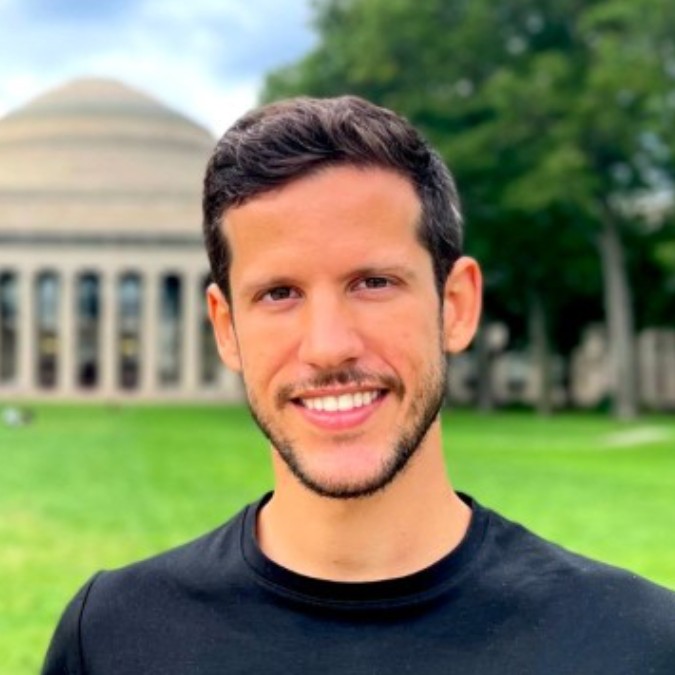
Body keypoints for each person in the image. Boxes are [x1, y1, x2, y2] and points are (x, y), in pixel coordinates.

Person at [42, 96, 674, 674]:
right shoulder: (112, 638)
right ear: (226, 328)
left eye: (373, 283)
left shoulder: (639, 644)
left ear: (455, 306)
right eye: (279, 293)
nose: (328, 347)